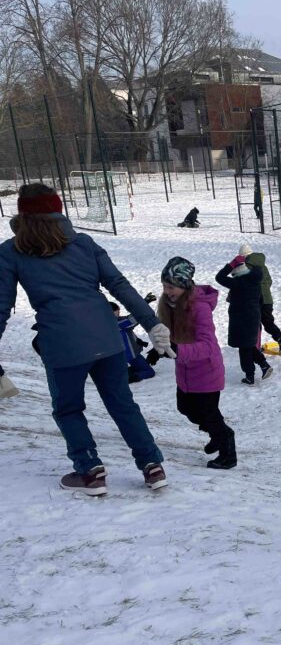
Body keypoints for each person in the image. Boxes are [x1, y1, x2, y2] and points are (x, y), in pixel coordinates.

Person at [0, 182, 173, 495]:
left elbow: (1, 305)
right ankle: (152, 466)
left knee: (68, 409)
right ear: (58, 210)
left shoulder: (11, 251)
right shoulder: (83, 243)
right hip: (106, 338)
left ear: (22, 215)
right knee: (122, 404)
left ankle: (90, 471)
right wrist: (152, 324)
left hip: (62, 344)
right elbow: (119, 285)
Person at [156, 256, 237, 470]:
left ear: (183, 285)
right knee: (185, 408)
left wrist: (178, 350)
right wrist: (159, 350)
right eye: (164, 286)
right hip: (186, 371)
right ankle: (217, 434)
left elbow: (208, 346)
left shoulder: (200, 308)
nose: (167, 291)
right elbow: (172, 337)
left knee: (209, 415)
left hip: (206, 372)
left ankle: (227, 448)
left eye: (171, 286)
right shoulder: (172, 305)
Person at [214, 250, 268, 384]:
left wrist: (230, 265)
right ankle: (264, 365)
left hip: (241, 320)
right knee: (248, 345)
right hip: (253, 318)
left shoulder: (238, 283)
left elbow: (219, 277)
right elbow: (261, 300)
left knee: (244, 348)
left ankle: (250, 376)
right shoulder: (255, 281)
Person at [237, 244, 281, 359]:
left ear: (243, 256)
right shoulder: (263, 266)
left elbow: (240, 284)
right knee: (268, 322)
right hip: (267, 299)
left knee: (254, 324)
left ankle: (256, 347)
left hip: (254, 300)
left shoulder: (245, 267)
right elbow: (269, 281)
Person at [108, 302, 156, 384]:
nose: (119, 311)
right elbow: (132, 320)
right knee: (149, 371)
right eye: (117, 310)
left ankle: (123, 373)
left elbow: (128, 320)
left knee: (139, 366)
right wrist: (144, 303)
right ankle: (130, 378)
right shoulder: (117, 323)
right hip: (130, 354)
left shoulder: (109, 322)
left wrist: (138, 341)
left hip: (125, 354)